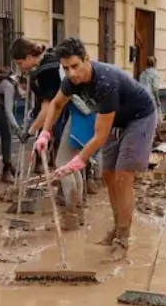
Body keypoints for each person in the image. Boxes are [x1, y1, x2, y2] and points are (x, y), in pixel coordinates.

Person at [38, 37, 158, 261]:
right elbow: (56, 103)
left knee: (123, 177)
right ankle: (117, 226)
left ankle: (123, 238)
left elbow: (100, 136)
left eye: (75, 66)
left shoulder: (106, 82)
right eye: (66, 68)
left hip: (140, 117)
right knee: (107, 175)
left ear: (86, 59)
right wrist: (45, 132)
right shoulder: (70, 81)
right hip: (116, 120)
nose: (71, 73)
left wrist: (77, 161)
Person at [11, 37, 80, 224]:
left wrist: (31, 131)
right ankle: (75, 208)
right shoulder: (49, 59)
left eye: (20, 63)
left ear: (28, 56)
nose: (21, 67)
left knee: (63, 162)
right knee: (71, 162)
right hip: (75, 111)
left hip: (73, 113)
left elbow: (48, 108)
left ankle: (73, 215)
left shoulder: (47, 71)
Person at [0, 67, 25, 182]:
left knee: (8, 135)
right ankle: (6, 170)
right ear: (19, 84)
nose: (23, 94)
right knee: (6, 134)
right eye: (23, 90)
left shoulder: (16, 83)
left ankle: (8, 164)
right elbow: (8, 111)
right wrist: (18, 130)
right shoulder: (9, 86)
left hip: (3, 103)